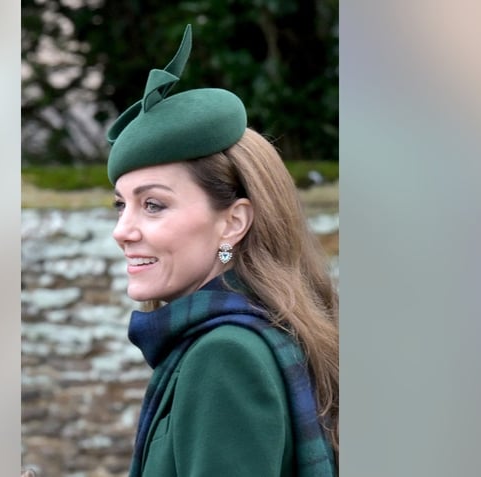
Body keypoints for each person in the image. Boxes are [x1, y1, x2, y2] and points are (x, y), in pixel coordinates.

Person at [106, 24, 338, 477]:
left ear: (232, 222)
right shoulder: (260, 329)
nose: (122, 230)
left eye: (152, 205)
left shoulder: (224, 357)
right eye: (121, 205)